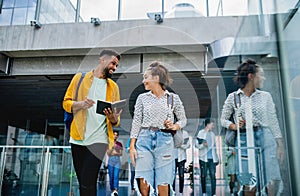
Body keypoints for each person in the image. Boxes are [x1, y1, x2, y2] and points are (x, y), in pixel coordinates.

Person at [62, 49, 122, 196]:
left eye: (116, 66)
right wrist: (80, 104)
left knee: (89, 180)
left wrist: (112, 117)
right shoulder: (79, 78)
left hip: (99, 140)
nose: (114, 68)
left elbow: (116, 121)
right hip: (78, 138)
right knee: (83, 181)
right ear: (103, 59)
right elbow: (66, 103)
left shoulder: (113, 87)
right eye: (113, 63)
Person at [220, 59, 284, 195]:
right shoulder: (234, 97)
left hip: (265, 136)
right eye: (261, 74)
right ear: (251, 76)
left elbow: (273, 120)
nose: (263, 78)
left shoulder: (265, 96)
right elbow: (223, 120)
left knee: (272, 178)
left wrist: (280, 144)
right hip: (244, 138)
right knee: (248, 180)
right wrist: (234, 126)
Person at [129, 61, 187, 196]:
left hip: (165, 141)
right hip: (143, 140)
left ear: (156, 78)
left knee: (163, 183)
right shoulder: (142, 98)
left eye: (146, 77)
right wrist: (132, 146)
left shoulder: (173, 98)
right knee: (144, 186)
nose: (143, 81)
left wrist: (174, 126)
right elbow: (136, 122)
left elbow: (183, 119)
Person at [195, 119, 219, 196]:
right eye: (212, 124)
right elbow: (196, 145)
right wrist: (203, 145)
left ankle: (214, 193)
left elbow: (214, 147)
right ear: (208, 124)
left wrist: (217, 157)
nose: (213, 126)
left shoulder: (212, 134)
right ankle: (204, 192)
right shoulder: (200, 133)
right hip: (203, 158)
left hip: (212, 158)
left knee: (213, 175)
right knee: (203, 175)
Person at [172, 130, 190, 196]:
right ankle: (172, 192)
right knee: (172, 177)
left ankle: (181, 192)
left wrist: (179, 145)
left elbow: (188, 145)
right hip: (173, 158)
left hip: (181, 158)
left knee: (181, 176)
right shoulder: (172, 132)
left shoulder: (185, 133)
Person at [107, 131, 123, 196]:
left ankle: (116, 190)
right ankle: (112, 189)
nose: (115, 136)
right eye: (114, 134)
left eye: (116, 135)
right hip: (111, 161)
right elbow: (108, 153)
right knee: (111, 176)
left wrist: (115, 152)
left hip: (117, 160)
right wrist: (112, 148)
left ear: (117, 136)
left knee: (116, 176)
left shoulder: (119, 144)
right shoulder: (109, 143)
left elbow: (121, 153)